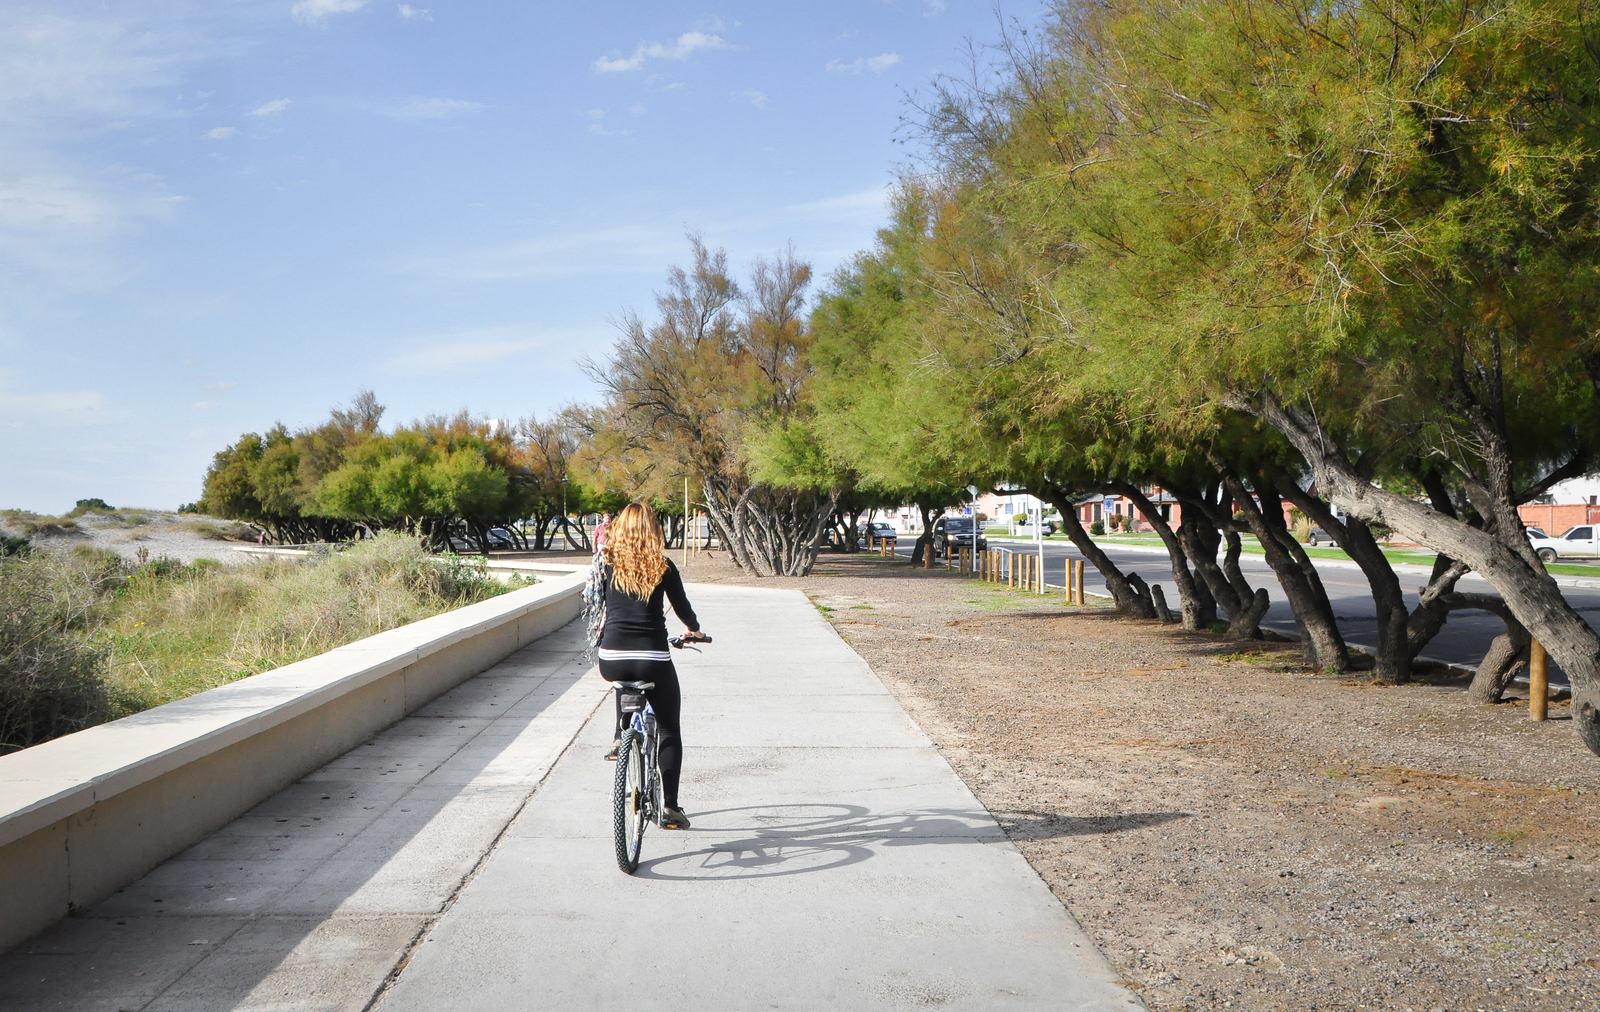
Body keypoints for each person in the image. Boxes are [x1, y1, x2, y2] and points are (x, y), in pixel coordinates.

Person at [597, 502, 706, 830]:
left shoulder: (607, 565)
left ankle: (620, 734)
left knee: (625, 677)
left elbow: (604, 604)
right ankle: (670, 808)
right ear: (652, 530)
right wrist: (694, 630)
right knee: (670, 728)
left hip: (611, 658)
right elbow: (683, 609)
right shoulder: (663, 566)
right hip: (652, 658)